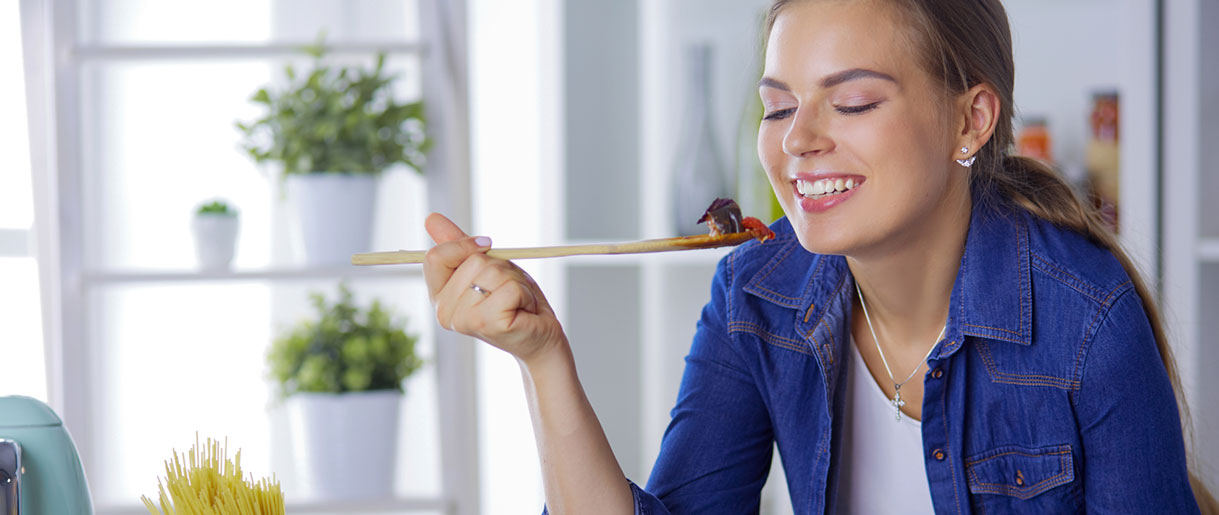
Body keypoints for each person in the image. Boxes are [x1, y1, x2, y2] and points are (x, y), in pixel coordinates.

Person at [423, 0, 1217, 512]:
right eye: (776, 106)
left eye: (853, 101)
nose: (797, 141)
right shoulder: (756, 293)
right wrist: (542, 356)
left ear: (969, 119)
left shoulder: (1084, 314)